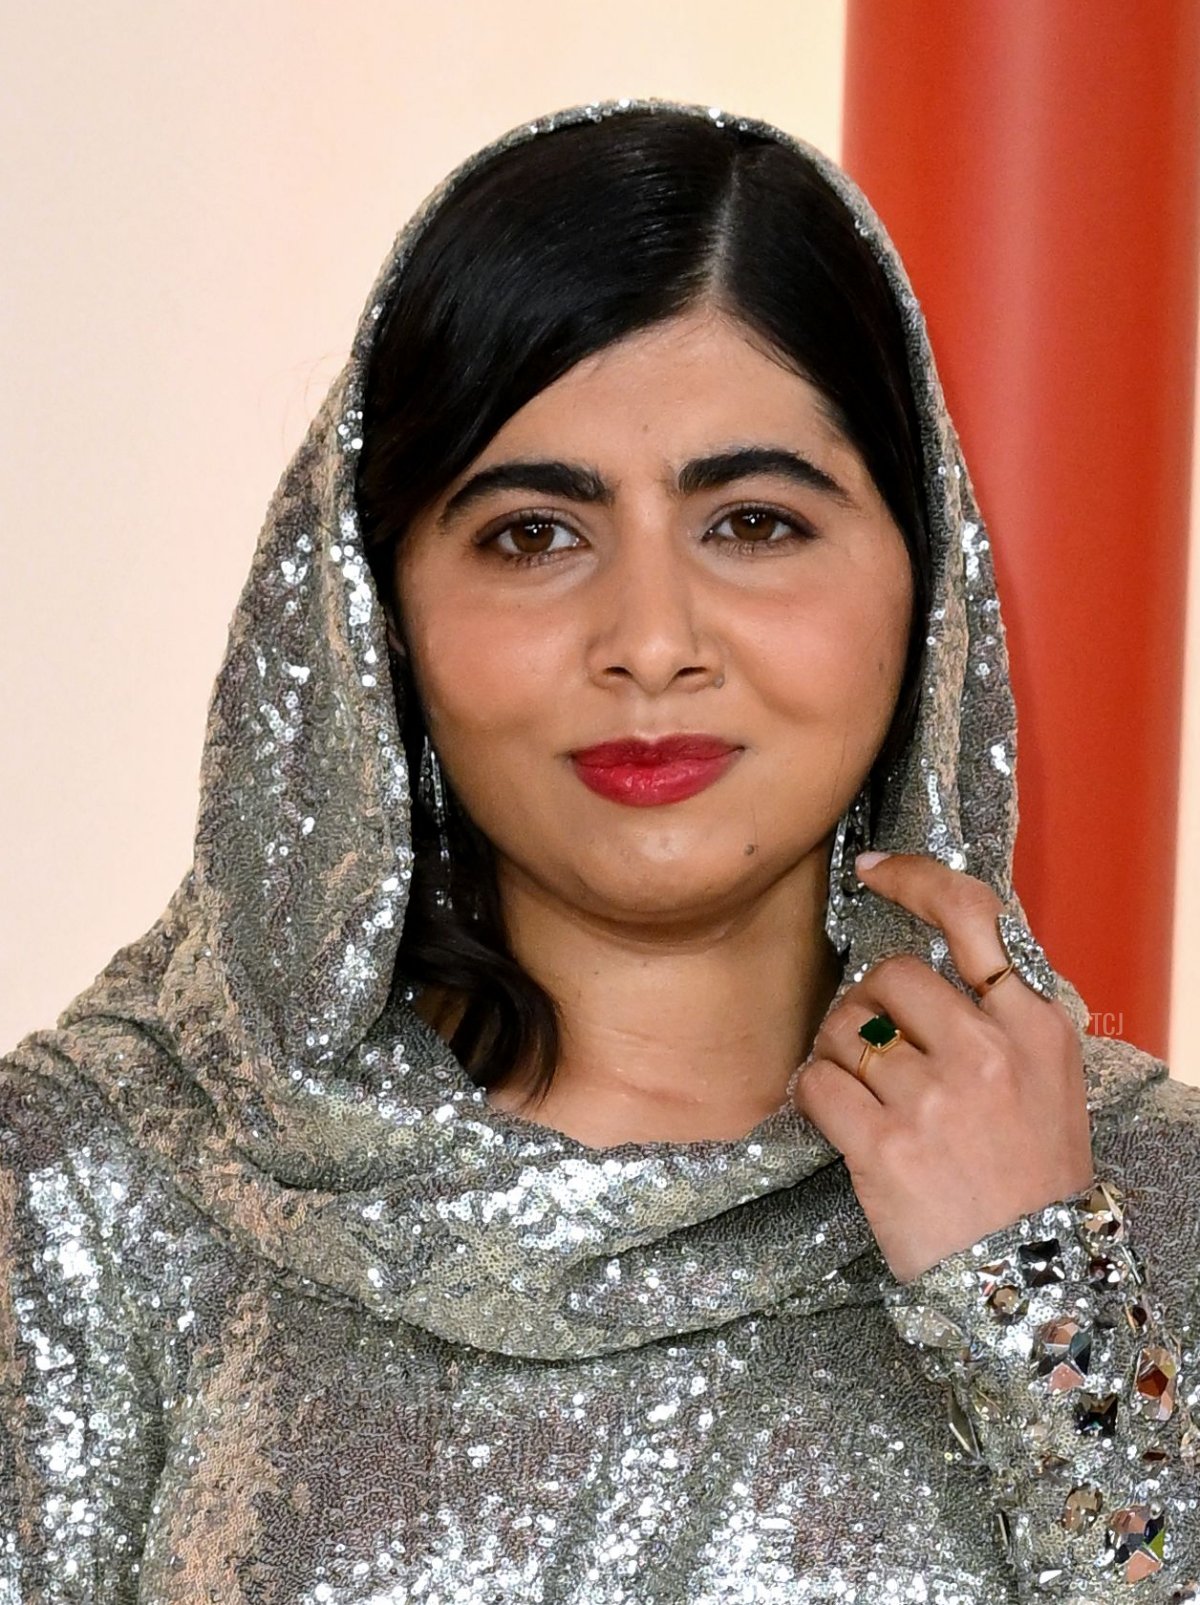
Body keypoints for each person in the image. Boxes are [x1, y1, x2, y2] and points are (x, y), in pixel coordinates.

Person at [1, 96, 1197, 1604]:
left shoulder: (1139, 1202)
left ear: (925, 583)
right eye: (531, 535)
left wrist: (1044, 1306)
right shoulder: (107, 1177)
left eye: (755, 523)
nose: (648, 641)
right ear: (379, 615)